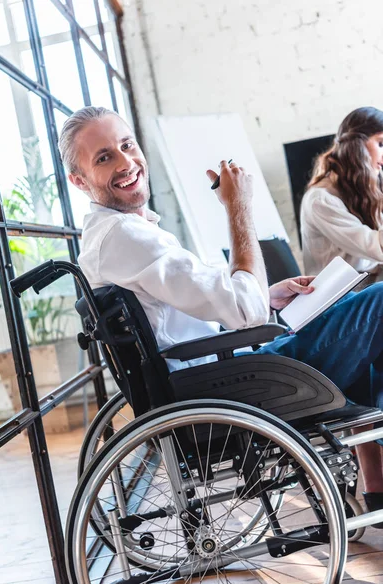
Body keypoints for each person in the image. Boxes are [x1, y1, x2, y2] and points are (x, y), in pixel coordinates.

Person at [59, 106, 383, 523]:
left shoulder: (122, 233)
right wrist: (238, 206)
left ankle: (376, 480)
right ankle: (376, 477)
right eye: (104, 157)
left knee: (360, 314)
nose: (126, 162)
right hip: (228, 387)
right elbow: (243, 313)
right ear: (79, 181)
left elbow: (204, 310)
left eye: (126, 145)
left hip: (217, 375)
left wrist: (266, 296)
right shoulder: (123, 236)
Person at [301, 106, 383, 277]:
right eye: (381, 144)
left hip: (368, 287)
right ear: (357, 146)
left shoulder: (363, 188)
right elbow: (374, 247)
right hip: (339, 299)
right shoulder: (320, 199)